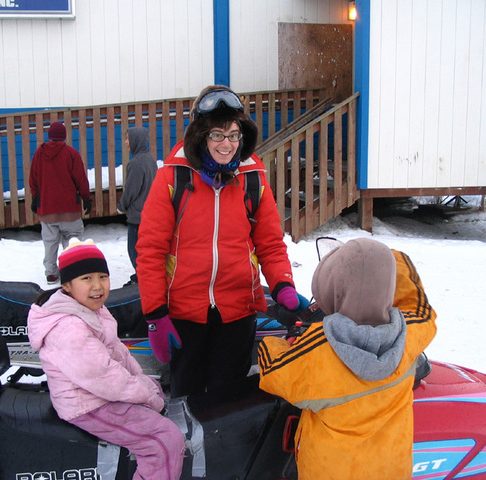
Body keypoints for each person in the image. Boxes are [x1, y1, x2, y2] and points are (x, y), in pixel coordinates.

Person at [136, 85, 302, 398]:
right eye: (217, 134)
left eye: (234, 134)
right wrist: (156, 314)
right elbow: (150, 251)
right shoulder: (174, 178)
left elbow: (270, 243)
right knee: (188, 398)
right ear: (200, 134)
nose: (227, 144)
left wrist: (282, 285)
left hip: (238, 313)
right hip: (184, 314)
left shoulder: (253, 178)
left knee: (229, 404)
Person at [257, 238, 438, 480]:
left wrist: (280, 343)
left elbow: (272, 369)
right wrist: (376, 262)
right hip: (392, 471)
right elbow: (418, 303)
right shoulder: (410, 333)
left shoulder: (316, 353)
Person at [27, 239, 185, 480]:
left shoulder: (91, 310)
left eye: (102, 276)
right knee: (163, 441)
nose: (97, 286)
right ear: (67, 286)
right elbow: (105, 378)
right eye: (86, 278)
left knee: (155, 393)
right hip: (88, 404)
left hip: (98, 394)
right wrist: (146, 396)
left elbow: (118, 353)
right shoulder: (69, 328)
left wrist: (142, 382)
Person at [29, 121, 92, 285]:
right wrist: (86, 197)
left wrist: (35, 198)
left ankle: (51, 274)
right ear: (63, 136)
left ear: (49, 135)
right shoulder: (71, 154)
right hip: (69, 208)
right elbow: (80, 179)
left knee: (50, 242)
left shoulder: (39, 154)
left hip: (47, 208)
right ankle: (71, 270)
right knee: (73, 239)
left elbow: (33, 179)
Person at [117, 126, 158, 286]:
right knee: (146, 251)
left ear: (135, 140)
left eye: (128, 138)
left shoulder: (135, 164)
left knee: (135, 252)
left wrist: (122, 205)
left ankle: (143, 281)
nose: (126, 142)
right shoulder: (150, 159)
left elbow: (131, 190)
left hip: (137, 217)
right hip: (149, 214)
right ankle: (142, 276)